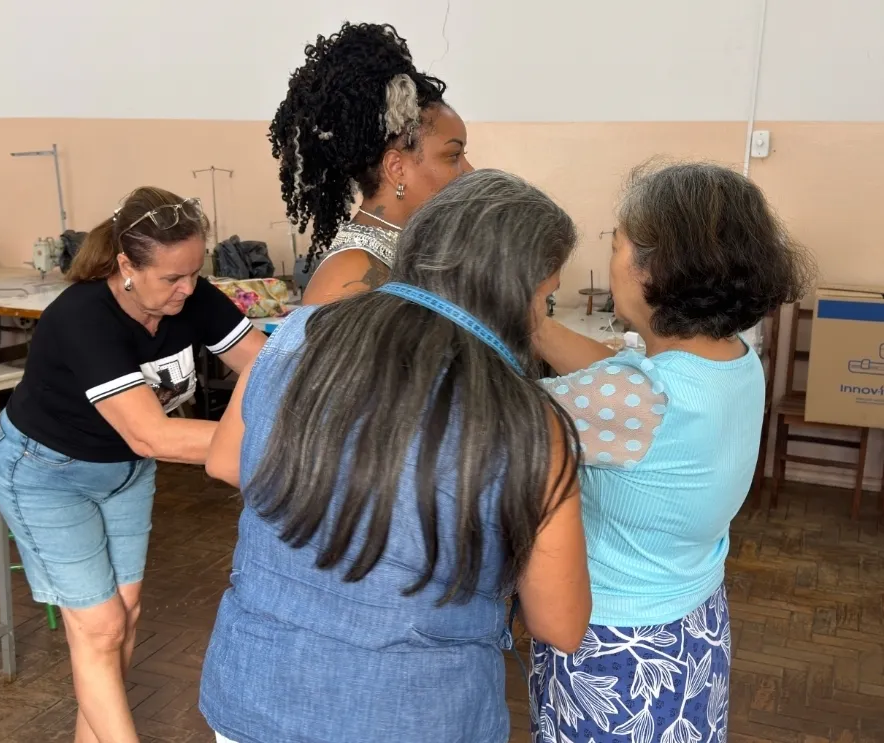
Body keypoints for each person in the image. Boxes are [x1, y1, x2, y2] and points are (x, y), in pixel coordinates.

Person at [199, 169, 592, 743]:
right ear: (515, 290)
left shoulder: (297, 334)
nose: (541, 316)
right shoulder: (530, 423)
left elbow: (225, 461)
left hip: (256, 689)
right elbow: (560, 624)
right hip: (412, 712)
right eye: (544, 296)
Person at [527, 162, 813, 743]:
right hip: (693, 627)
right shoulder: (732, 359)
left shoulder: (641, 399)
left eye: (618, 241)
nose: (611, 256)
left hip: (618, 649)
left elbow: (493, 412)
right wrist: (533, 324)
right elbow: (616, 376)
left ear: (656, 269)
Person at [0, 186, 267, 743]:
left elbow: (262, 365)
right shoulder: (83, 317)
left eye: (195, 272)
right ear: (126, 266)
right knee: (100, 627)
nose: (188, 289)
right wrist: (278, 447)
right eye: (171, 278)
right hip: (45, 472)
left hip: (122, 473)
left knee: (124, 618)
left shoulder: (193, 296)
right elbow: (151, 434)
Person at [269, 22, 473, 304]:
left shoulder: (415, 249)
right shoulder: (350, 276)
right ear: (396, 168)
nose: (469, 171)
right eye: (453, 156)